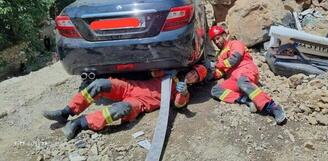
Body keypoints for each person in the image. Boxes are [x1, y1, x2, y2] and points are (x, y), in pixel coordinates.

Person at [42, 66, 207, 140]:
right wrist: (163, 71)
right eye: (192, 73)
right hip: (129, 87)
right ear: (188, 70)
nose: (191, 76)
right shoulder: (170, 72)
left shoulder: (181, 91)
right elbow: (152, 69)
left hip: (137, 102)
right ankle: (65, 112)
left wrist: (183, 91)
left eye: (195, 77)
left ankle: (79, 123)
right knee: (99, 84)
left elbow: (179, 104)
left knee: (120, 109)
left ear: (195, 81)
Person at [204, 25, 287, 125]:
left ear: (224, 35)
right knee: (215, 90)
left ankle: (273, 108)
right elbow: (220, 72)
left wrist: (216, 64)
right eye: (214, 40)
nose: (217, 42)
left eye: (218, 38)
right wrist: (208, 72)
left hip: (246, 71)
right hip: (234, 78)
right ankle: (246, 100)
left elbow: (234, 59)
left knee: (242, 82)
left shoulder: (235, 43)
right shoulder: (219, 56)